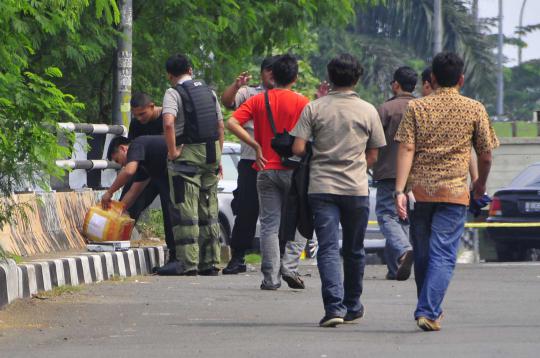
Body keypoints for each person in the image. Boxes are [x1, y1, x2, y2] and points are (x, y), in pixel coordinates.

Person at [394, 52, 499, 331]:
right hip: (453, 193)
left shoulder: (417, 108)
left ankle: (427, 308)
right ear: (461, 79)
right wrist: (480, 185)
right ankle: (428, 310)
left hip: (421, 192)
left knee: (425, 253)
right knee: (443, 254)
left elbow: (405, 148)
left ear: (434, 79)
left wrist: (399, 191)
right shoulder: (474, 108)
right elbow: (485, 155)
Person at [292, 53, 386, 327]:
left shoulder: (315, 108)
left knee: (328, 248)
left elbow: (298, 148)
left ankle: (334, 308)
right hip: (356, 189)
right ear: (357, 78)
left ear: (330, 78)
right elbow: (374, 155)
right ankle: (353, 305)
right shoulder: (368, 110)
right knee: (355, 249)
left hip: (321, 187)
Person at [226, 54, 309, 290]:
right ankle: (289, 265)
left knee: (269, 224)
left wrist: (256, 145)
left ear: (272, 75)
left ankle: (270, 278)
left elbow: (232, 122)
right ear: (294, 77)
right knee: (302, 219)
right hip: (294, 171)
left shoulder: (258, 100)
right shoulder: (303, 102)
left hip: (265, 168)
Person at [160, 53, 225, 276]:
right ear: (190, 69)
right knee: (210, 209)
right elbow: (220, 127)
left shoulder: (173, 93)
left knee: (186, 209)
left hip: (187, 156)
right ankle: (212, 262)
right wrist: (218, 156)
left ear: (170, 75)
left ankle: (189, 264)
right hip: (211, 154)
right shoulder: (210, 92)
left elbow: (168, 123)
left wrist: (172, 151)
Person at [219, 56, 278, 275]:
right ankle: (238, 256)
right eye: (268, 70)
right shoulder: (249, 93)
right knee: (246, 209)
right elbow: (227, 102)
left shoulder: (291, 96)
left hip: (277, 162)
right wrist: (236, 85)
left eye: (276, 70)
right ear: (262, 73)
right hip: (250, 160)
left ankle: (279, 258)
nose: (272, 74)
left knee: (279, 211)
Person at [114, 93, 176, 261]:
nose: (140, 118)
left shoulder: (167, 118)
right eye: (136, 115)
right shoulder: (136, 124)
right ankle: (117, 238)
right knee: (128, 202)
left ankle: (174, 254)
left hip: (167, 171)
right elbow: (132, 157)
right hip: (145, 170)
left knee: (169, 211)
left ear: (152, 106)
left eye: (143, 114)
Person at [373, 67, 417, 281]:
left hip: (388, 172)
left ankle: (403, 249)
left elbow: (373, 140)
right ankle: (395, 268)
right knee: (404, 220)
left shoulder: (386, 109)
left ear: (395, 84)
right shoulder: (422, 107)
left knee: (387, 216)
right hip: (415, 176)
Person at [101, 136, 174, 264]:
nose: (121, 165)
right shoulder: (144, 164)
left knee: (173, 216)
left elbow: (128, 171)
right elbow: (134, 192)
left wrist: (109, 192)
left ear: (123, 149)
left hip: (179, 171)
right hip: (169, 179)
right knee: (169, 215)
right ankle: (174, 258)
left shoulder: (136, 145)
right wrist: (117, 212)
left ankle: (178, 258)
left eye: (119, 160)